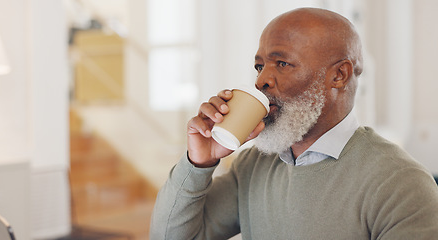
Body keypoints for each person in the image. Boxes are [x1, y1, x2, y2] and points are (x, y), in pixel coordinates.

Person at [150, 7, 438, 239]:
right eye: (260, 66)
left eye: (282, 64)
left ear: (339, 75)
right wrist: (198, 162)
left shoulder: (401, 182)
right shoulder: (252, 166)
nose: (261, 80)